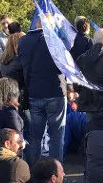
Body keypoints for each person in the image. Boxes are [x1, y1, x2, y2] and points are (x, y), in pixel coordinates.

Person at [18, 20, 68, 164]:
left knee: (35, 136)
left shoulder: (23, 41)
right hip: (56, 91)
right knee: (56, 136)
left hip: (34, 92)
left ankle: (33, 174)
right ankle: (54, 173)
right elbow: (67, 55)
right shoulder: (55, 40)